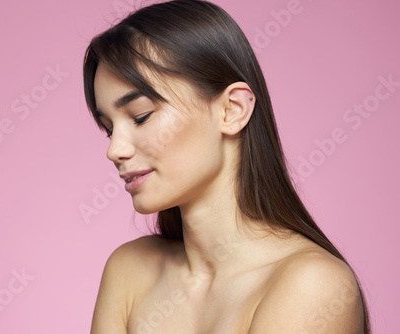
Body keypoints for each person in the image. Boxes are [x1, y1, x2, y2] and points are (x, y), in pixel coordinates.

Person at [83, 0, 370, 333]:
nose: (114, 149)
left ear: (232, 110)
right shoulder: (128, 271)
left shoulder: (312, 284)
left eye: (141, 116)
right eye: (109, 128)